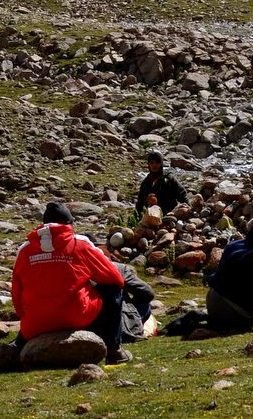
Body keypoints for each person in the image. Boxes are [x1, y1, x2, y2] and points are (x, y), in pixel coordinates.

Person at [11, 202, 127, 360]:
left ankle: (20, 343)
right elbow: (115, 278)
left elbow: (16, 295)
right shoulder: (81, 243)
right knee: (113, 288)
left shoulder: (24, 250)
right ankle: (114, 350)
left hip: (34, 324)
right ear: (68, 224)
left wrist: (27, 318)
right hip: (76, 318)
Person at [134, 151, 188, 217]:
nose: (154, 165)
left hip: (168, 216)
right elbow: (140, 202)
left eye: (157, 162)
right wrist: (137, 216)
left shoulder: (169, 179)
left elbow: (182, 194)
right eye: (152, 162)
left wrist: (187, 208)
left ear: (161, 164)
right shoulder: (146, 182)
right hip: (151, 217)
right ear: (148, 164)